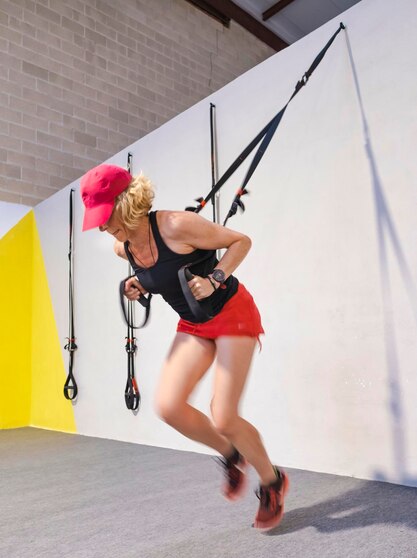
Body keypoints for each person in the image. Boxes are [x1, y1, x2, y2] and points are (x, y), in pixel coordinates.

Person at [80, 163, 289, 531]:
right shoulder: (122, 248)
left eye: (104, 215)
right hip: (193, 323)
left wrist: (215, 277)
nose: (100, 225)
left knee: (224, 415)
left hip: (231, 312)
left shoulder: (176, 225)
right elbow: (159, 274)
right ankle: (230, 453)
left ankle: (272, 481)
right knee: (168, 406)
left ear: (126, 204)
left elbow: (241, 241)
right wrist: (140, 285)